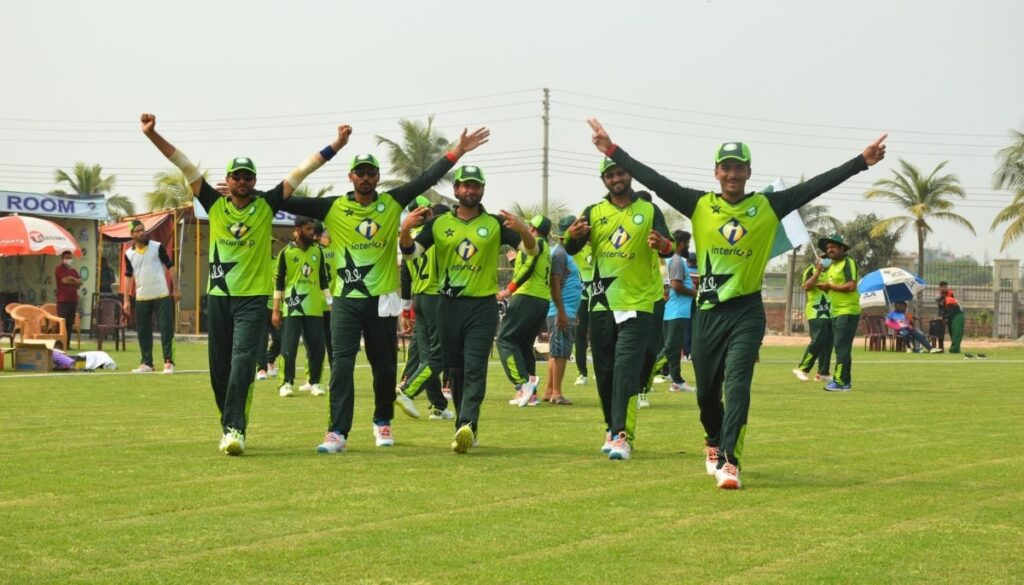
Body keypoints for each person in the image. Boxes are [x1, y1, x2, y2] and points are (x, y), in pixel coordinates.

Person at [586, 118, 887, 487]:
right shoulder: (697, 204)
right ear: (716, 172)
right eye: (726, 167)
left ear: (748, 172)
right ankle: (713, 440)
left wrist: (861, 161)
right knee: (708, 396)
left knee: (738, 385)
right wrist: (612, 151)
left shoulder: (767, 205)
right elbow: (654, 180)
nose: (732, 174)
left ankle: (730, 461)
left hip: (746, 312)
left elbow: (815, 186)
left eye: (738, 167)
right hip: (708, 315)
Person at [141, 112, 350, 456]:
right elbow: (182, 162)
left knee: (242, 362)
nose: (241, 182)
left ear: (254, 181)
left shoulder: (267, 204)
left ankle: (236, 428)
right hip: (219, 297)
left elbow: (302, 171)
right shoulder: (213, 203)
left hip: (252, 300)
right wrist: (153, 134)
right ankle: (229, 423)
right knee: (219, 370)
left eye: (247, 177)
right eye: (236, 177)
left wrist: (336, 146)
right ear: (228, 180)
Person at [281, 128, 490, 454]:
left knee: (384, 366)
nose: (365, 178)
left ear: (378, 177)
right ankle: (336, 432)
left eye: (371, 173)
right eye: (360, 173)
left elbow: (425, 179)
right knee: (342, 365)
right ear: (350, 176)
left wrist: (457, 151)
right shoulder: (333, 207)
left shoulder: (392, 202)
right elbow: (283, 194)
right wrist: (333, 148)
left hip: (384, 298)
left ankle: (382, 422)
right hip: (347, 299)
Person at [401, 165, 537, 453]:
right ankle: (463, 428)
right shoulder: (438, 225)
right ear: (456, 190)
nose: (470, 190)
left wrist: (524, 230)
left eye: (475, 186)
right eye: (465, 185)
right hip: (447, 305)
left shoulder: (496, 224)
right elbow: (412, 254)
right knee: (456, 368)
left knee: (475, 367)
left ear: (483, 189)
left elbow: (531, 252)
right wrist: (404, 230)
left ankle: (468, 422)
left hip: (482, 306)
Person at [564, 156, 673, 461]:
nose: (616, 178)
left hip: (638, 301)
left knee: (626, 368)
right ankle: (611, 428)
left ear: (629, 176)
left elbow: (671, 246)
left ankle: (623, 435)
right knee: (605, 369)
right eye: (610, 175)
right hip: (601, 303)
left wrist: (663, 244)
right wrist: (572, 238)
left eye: (620, 173)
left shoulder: (648, 210)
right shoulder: (593, 212)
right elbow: (573, 248)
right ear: (604, 181)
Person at [394, 199, 454, 421]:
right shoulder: (436, 234)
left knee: (428, 356)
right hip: (435, 297)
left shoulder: (410, 238)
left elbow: (404, 274)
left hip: (419, 299)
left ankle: (438, 405)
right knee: (439, 355)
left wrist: (406, 308)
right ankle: (407, 389)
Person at [272, 216, 330, 397]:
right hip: (292, 306)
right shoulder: (286, 253)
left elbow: (323, 280)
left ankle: (315, 382)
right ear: (297, 230)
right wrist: (275, 311)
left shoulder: (318, 252)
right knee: (288, 346)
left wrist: (331, 304)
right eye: (307, 229)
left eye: (313, 229)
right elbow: (279, 283)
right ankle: (285, 383)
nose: (312, 233)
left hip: (314, 306)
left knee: (317, 347)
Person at [497, 215, 552, 407]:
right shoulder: (545, 246)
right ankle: (532, 395)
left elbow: (528, 269)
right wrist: (514, 263)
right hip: (541, 299)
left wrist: (507, 291)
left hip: (526, 296)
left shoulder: (535, 243)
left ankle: (523, 385)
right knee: (523, 344)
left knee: (504, 339)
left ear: (532, 228)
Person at [122, 219, 178, 374]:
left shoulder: (157, 247)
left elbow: (170, 266)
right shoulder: (129, 254)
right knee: (143, 331)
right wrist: (126, 299)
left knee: (166, 329)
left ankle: (169, 362)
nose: (142, 232)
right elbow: (128, 276)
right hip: (141, 297)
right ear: (132, 234)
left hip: (161, 295)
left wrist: (176, 289)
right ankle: (147, 363)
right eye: (138, 230)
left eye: (143, 229)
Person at [541, 215, 583, 405]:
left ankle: (550, 390)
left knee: (557, 352)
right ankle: (557, 393)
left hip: (568, 311)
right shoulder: (559, 254)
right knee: (560, 353)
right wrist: (562, 312)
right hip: (561, 311)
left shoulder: (566, 254)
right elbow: (554, 283)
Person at [655, 229, 698, 393]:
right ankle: (643, 376)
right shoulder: (677, 261)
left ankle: (677, 382)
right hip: (676, 312)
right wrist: (697, 293)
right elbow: (676, 286)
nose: (688, 246)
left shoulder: (674, 260)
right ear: (681, 244)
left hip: (676, 311)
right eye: (687, 243)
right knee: (670, 349)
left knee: (673, 350)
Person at [818, 234, 861, 392]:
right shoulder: (833, 267)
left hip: (847, 310)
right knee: (842, 347)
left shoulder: (848, 263)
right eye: (828, 248)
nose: (830, 250)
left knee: (841, 347)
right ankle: (845, 382)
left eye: (833, 247)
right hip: (836, 311)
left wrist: (830, 287)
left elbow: (851, 286)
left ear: (843, 248)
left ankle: (839, 381)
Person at [793, 254, 834, 382]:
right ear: (818, 260)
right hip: (816, 312)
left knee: (828, 342)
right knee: (818, 340)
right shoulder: (810, 270)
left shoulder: (831, 272)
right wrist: (818, 272)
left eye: (829, 258)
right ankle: (802, 368)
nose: (827, 260)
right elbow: (806, 286)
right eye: (824, 258)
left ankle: (823, 373)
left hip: (830, 312)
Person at [572, 238, 594, 386]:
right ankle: (582, 373)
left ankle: (600, 370)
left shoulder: (604, 246)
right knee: (579, 335)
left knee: (600, 336)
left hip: (601, 297)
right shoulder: (577, 250)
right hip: (582, 297)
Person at [54, 250, 81, 350]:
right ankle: (59, 345)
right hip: (63, 300)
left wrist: (72, 279)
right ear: (62, 259)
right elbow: (64, 280)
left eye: (70, 258)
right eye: (66, 258)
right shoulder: (59, 269)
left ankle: (67, 345)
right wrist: (73, 280)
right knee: (61, 323)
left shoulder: (73, 271)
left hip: (73, 300)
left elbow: (80, 283)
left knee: (70, 324)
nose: (68, 259)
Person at [937, 281, 964, 354]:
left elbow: (950, 311)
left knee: (956, 333)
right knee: (952, 333)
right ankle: (955, 349)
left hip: (958, 315)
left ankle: (954, 349)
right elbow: (942, 309)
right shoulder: (941, 298)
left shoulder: (949, 299)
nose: (940, 304)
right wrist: (941, 316)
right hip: (952, 315)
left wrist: (943, 317)